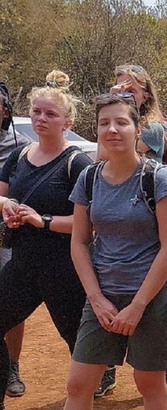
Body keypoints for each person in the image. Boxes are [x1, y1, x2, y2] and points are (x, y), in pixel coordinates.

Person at [64, 92, 167, 410]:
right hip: (103, 295)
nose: (112, 130)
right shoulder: (89, 178)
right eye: (104, 123)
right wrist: (96, 298)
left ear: (137, 129)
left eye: (121, 122)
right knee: (79, 384)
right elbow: (79, 242)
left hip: (151, 296)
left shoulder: (157, 178)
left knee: (149, 383)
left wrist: (138, 306)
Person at [0, 71, 92, 410]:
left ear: (66, 122)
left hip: (63, 270)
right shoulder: (19, 156)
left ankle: (86, 395)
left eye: (50, 114)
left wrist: (43, 220)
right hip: (22, 265)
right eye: (36, 112)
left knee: (80, 345)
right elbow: (1, 196)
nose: (41, 118)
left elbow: (89, 226)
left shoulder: (77, 163)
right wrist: (8, 206)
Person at [99, 63, 167, 403]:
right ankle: (108, 367)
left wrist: (113, 115)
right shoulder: (121, 122)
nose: (123, 94)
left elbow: (108, 154)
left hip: (152, 215)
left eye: (130, 90)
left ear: (146, 94)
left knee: (161, 300)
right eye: (118, 88)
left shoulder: (150, 127)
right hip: (123, 214)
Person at [0, 81, 30, 400]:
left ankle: (12, 367)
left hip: (7, 238)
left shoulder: (20, 147)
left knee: (11, 305)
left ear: (5, 110)